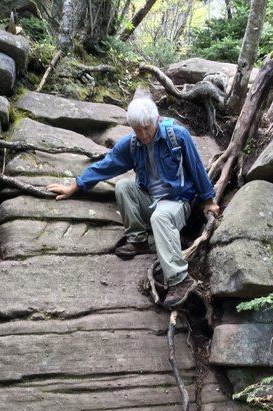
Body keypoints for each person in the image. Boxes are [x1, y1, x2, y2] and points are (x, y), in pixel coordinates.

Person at [46, 97, 219, 308]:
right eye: (138, 130)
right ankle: (137, 240)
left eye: (147, 128)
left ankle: (180, 279)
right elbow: (107, 165)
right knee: (123, 186)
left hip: (177, 202)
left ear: (156, 119)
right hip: (151, 201)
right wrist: (77, 185)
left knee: (160, 216)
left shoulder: (177, 136)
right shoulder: (133, 144)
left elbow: (196, 167)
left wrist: (208, 199)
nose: (143, 134)